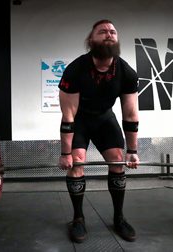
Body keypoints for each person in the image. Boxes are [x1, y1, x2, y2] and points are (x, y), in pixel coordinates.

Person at [58, 19, 139, 243]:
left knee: (117, 159)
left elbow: (130, 115)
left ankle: (119, 218)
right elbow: (69, 116)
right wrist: (65, 153)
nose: (109, 34)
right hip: (80, 120)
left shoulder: (126, 72)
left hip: (105, 119)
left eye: (113, 31)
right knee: (77, 163)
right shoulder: (75, 70)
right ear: (91, 40)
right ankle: (78, 218)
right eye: (102, 31)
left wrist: (132, 150)